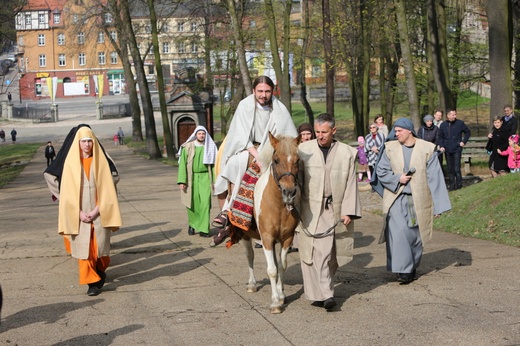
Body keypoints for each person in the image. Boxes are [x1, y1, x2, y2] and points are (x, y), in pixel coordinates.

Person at [210, 75, 297, 247]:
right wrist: (255, 154)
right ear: (254, 91)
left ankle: (293, 212)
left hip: (271, 149)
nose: (263, 95)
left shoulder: (279, 109)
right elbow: (240, 134)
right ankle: (228, 210)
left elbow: (287, 136)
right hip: (248, 147)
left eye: (267, 91)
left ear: (273, 91)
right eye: (260, 91)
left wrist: (269, 153)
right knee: (235, 164)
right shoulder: (245, 105)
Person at [44, 125, 122, 296]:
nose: (87, 145)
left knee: (101, 250)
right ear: (77, 143)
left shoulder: (101, 161)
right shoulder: (70, 164)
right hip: (78, 214)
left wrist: (96, 210)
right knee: (84, 251)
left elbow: (110, 188)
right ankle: (91, 282)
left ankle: (100, 271)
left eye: (89, 141)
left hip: (98, 212)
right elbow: (66, 192)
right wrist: (78, 212)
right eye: (83, 141)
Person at [373, 118, 451, 284]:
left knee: (416, 235)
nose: (396, 133)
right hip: (396, 198)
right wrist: (397, 178)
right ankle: (404, 270)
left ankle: (411, 266)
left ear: (409, 131)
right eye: (395, 131)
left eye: (400, 130)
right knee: (399, 232)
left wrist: (438, 205)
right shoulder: (390, 148)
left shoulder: (427, 149)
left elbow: (435, 177)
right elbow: (381, 170)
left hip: (419, 199)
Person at [297, 113, 361, 310]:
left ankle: (318, 294)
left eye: (324, 132)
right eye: (317, 132)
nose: (320, 136)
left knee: (333, 256)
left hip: (336, 207)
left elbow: (352, 184)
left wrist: (349, 211)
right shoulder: (303, 150)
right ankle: (327, 294)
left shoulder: (347, 153)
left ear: (334, 131)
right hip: (310, 208)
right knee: (315, 253)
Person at [177, 126, 217, 238]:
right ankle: (192, 224)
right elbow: (182, 164)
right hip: (191, 177)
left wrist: (215, 180)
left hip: (205, 177)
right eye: (199, 134)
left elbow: (213, 165)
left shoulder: (209, 147)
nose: (201, 136)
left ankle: (204, 229)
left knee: (205, 203)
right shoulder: (188, 147)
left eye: (203, 134)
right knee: (192, 203)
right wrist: (182, 181)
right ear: (195, 134)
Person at [438, 109, 471, 191]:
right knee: (450, 169)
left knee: (457, 168)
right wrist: (442, 145)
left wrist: (463, 141)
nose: (454, 116)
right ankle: (452, 186)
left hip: (457, 148)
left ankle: (459, 185)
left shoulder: (460, 123)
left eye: (455, 114)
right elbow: (440, 136)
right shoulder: (443, 125)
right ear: (448, 115)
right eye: (452, 115)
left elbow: (467, 132)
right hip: (447, 149)